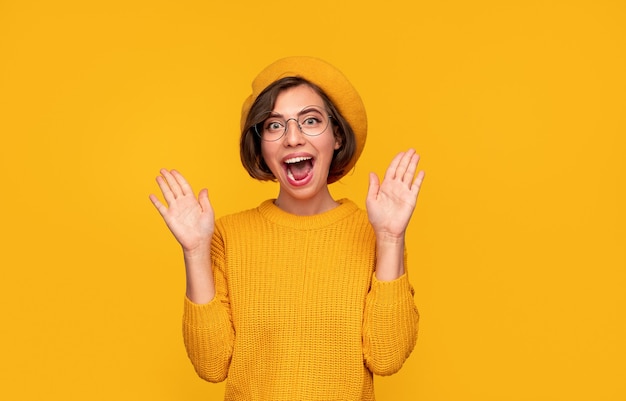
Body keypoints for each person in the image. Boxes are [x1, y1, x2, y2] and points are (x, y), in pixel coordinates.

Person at [149, 56, 425, 401]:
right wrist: (194, 251)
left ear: (337, 137)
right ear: (262, 146)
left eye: (310, 120)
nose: (292, 138)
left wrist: (390, 238)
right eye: (275, 125)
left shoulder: (375, 232)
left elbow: (387, 356)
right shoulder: (227, 236)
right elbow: (211, 365)